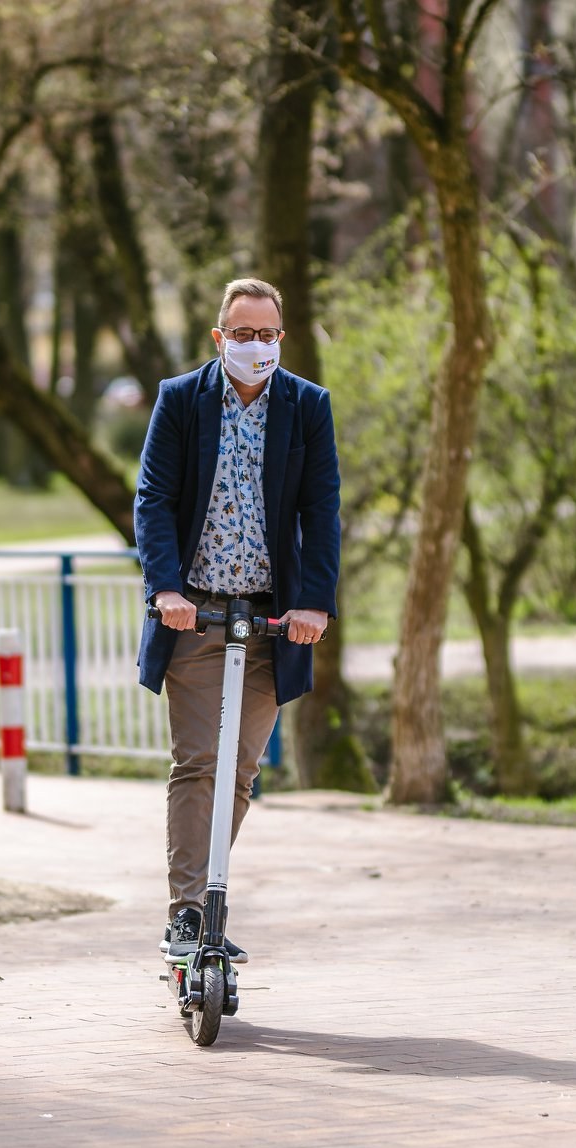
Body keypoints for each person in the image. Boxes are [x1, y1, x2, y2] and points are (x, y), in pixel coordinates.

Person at [133, 277, 341, 960]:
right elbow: (154, 499)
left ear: (283, 337)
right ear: (220, 338)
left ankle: (204, 896)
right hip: (196, 615)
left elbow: (321, 510)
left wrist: (313, 602)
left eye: (268, 334)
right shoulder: (180, 400)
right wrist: (166, 589)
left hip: (268, 620)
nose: (257, 346)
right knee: (198, 764)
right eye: (243, 334)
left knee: (241, 770)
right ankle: (189, 913)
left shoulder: (308, 406)